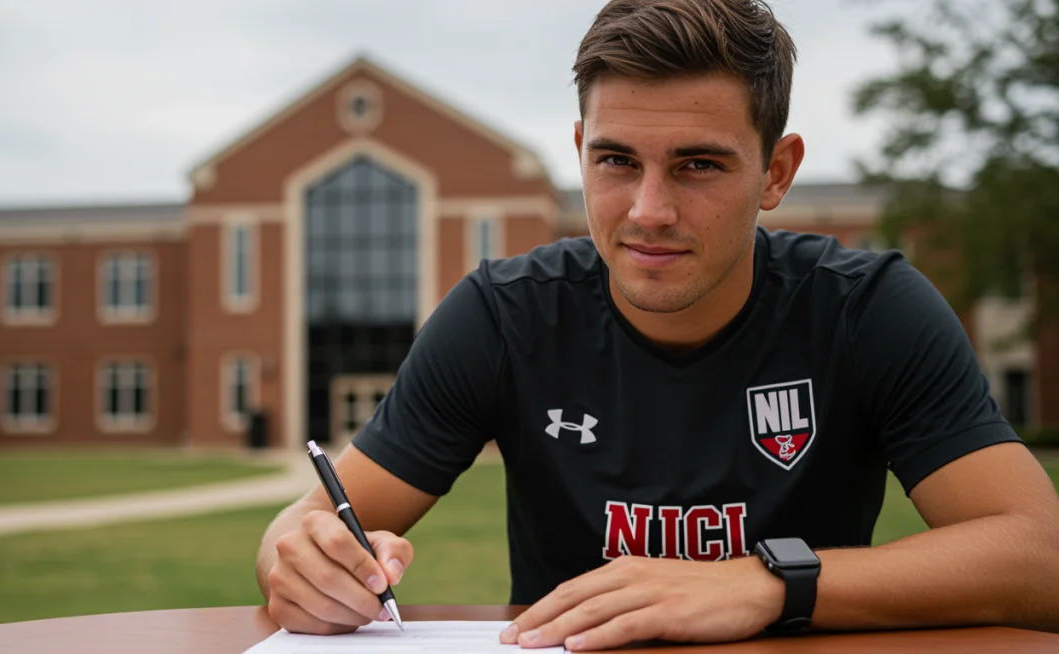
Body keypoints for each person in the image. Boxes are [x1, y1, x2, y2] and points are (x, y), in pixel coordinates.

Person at [255, 0, 1059, 650]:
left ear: (776, 172)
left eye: (697, 165)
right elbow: (313, 524)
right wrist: (298, 561)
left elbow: (1040, 554)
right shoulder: (504, 315)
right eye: (616, 161)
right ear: (579, 152)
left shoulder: (866, 309)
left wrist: (765, 584)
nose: (649, 211)